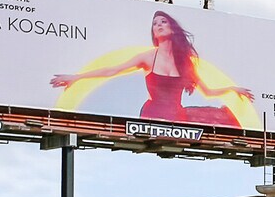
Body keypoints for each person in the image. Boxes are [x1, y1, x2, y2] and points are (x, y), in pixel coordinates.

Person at [50, 9, 254, 128]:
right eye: (155, 24)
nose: (159, 25)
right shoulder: (148, 57)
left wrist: (234, 89)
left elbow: (209, 92)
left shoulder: (185, 62)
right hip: (152, 114)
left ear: (172, 28)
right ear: (153, 33)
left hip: (177, 118)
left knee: (224, 119)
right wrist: (76, 77)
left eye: (163, 21)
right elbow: (111, 70)